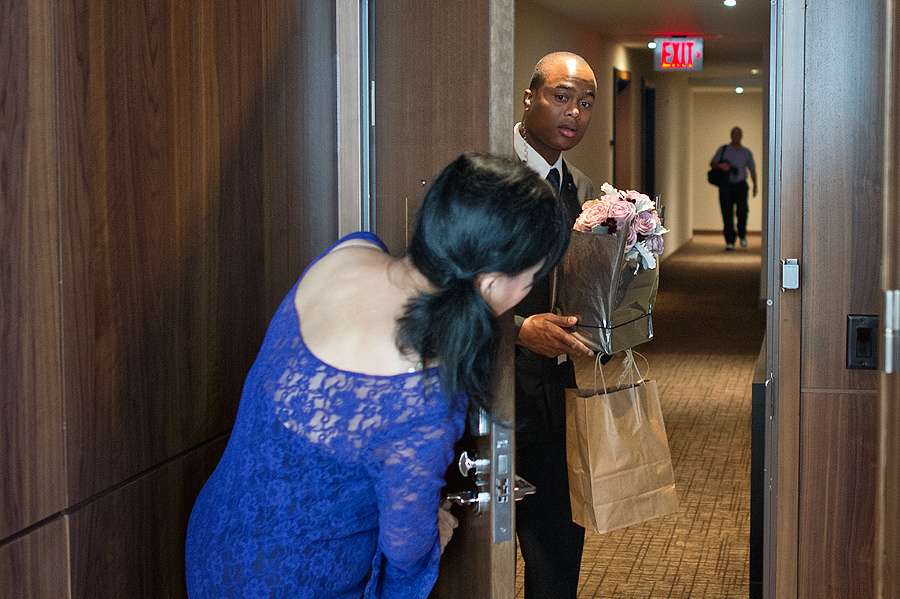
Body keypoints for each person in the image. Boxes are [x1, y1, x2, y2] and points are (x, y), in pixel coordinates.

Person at [184, 152, 571, 599]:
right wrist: (434, 535)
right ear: (490, 282)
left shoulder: (350, 252)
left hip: (218, 535)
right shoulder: (421, 394)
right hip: (294, 579)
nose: (527, 289)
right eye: (532, 276)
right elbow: (405, 550)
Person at [513, 51, 598, 599]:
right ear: (529, 96)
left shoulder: (583, 189)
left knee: (558, 543)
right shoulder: (486, 171)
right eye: (561, 97)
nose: (574, 113)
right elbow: (444, 285)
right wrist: (519, 329)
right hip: (492, 387)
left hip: (558, 391)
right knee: (484, 544)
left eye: (586, 103)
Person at [709, 126, 758, 250]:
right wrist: (722, 165)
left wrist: (755, 185)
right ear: (731, 135)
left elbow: (752, 169)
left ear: (741, 136)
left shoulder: (746, 152)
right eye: (734, 134)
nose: (736, 136)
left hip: (741, 186)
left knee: (742, 212)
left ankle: (742, 235)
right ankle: (730, 241)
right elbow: (712, 163)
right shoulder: (724, 150)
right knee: (727, 213)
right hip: (726, 186)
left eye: (738, 134)